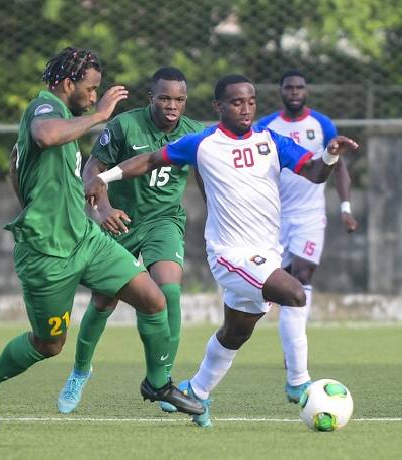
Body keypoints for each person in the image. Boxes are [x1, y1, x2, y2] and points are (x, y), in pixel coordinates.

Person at [84, 74, 358, 428]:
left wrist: (330, 154)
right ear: (218, 106)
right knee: (294, 292)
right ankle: (299, 380)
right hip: (230, 254)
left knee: (236, 333)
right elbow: (150, 160)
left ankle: (196, 391)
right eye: (235, 102)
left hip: (265, 254)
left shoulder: (271, 141)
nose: (245, 109)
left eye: (251, 102)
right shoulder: (202, 144)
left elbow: (316, 173)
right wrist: (102, 180)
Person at [0, 47, 203, 431]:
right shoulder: (45, 108)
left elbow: (16, 159)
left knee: (154, 298)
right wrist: (99, 115)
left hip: (85, 238)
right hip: (47, 251)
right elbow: (42, 136)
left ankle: (158, 385)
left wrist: (52, 197)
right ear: (67, 83)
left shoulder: (65, 117)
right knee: (48, 344)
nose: (94, 96)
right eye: (91, 90)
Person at [57, 67, 204, 414]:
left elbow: (210, 180)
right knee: (103, 302)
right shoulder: (125, 126)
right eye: (165, 98)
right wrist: (104, 209)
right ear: (151, 97)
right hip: (120, 222)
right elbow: (92, 171)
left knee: (169, 289)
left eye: (179, 99)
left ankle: (162, 380)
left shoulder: (196, 133)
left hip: (163, 221)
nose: (172, 105)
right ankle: (80, 370)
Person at [255, 69, 357, 404]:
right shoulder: (268, 126)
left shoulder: (323, 125)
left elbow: (337, 164)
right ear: (281, 91)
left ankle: (294, 358)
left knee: (302, 274)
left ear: (306, 91)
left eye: (300, 87)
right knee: (275, 283)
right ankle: (292, 340)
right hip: (275, 215)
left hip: (310, 216)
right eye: (289, 87)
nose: (295, 92)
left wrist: (344, 205)